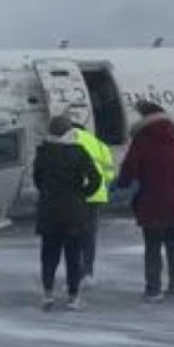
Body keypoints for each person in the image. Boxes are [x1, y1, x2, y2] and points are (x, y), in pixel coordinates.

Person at [115, 101, 174, 300]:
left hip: (152, 202)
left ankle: (153, 290)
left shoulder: (142, 142)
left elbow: (129, 171)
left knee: (153, 246)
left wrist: (122, 184)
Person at [33, 116, 102, 310]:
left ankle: (48, 294)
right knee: (73, 256)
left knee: (49, 255)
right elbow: (95, 179)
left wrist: (48, 194)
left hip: (49, 210)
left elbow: (37, 179)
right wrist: (82, 194)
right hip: (73, 211)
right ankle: (73, 297)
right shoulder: (78, 152)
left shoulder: (43, 152)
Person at [72, 122, 115, 287]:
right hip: (96, 195)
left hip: (75, 195)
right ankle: (88, 271)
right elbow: (110, 174)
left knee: (73, 235)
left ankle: (75, 273)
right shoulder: (100, 144)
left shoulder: (71, 142)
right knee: (89, 236)